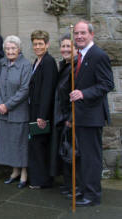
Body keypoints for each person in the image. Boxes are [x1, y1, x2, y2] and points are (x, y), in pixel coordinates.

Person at [70, 20, 114, 206]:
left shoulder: (98, 55)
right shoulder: (80, 55)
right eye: (77, 33)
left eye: (83, 33)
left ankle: (93, 195)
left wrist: (83, 93)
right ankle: (85, 189)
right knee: (83, 157)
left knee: (91, 157)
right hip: (81, 116)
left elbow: (107, 84)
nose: (79, 36)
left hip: (92, 116)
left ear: (91, 34)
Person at [0, 35, 31, 189]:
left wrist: (7, 105)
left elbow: (25, 89)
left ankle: (24, 173)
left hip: (19, 112)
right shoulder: (1, 63)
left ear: (19, 49)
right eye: (7, 49)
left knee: (20, 144)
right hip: (3, 112)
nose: (10, 51)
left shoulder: (26, 65)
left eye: (13, 48)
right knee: (10, 144)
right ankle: (14, 171)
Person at [28, 30, 58, 189]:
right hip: (35, 109)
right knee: (36, 145)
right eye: (35, 44)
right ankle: (38, 179)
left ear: (47, 44)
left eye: (40, 43)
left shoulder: (48, 62)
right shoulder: (37, 61)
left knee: (40, 145)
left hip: (42, 113)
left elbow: (48, 90)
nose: (37, 46)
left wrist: (42, 116)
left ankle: (42, 181)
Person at [50, 33, 78, 196]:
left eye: (69, 46)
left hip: (69, 117)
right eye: (63, 46)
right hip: (61, 116)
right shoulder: (64, 65)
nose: (65, 49)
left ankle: (76, 186)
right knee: (65, 152)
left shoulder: (76, 66)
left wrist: (71, 118)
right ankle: (68, 185)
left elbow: (75, 95)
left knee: (72, 153)